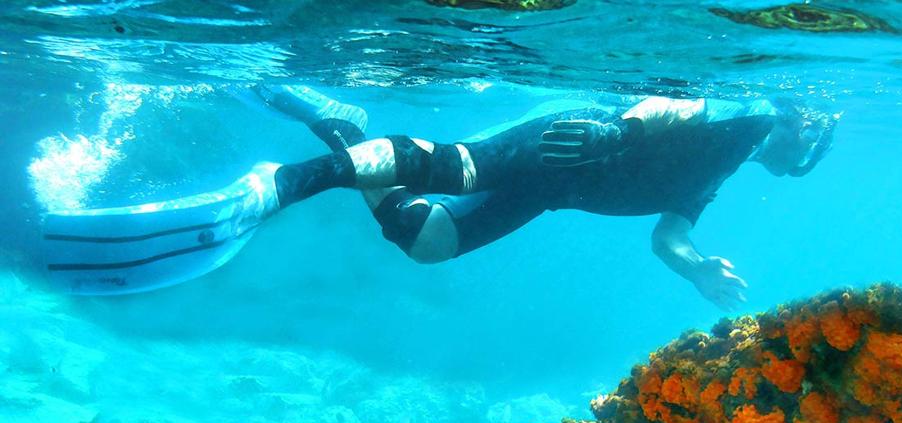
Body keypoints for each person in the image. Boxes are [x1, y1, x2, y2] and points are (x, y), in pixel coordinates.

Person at [41, 86, 835, 304]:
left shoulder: (724, 170)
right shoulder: (750, 116)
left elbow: (669, 234)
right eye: (813, 137)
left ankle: (338, 129)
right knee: (449, 166)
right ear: (797, 126)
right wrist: (621, 133)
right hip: (567, 142)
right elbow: (677, 107)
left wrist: (694, 268)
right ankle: (277, 190)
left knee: (426, 243)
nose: (807, 150)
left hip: (548, 194)